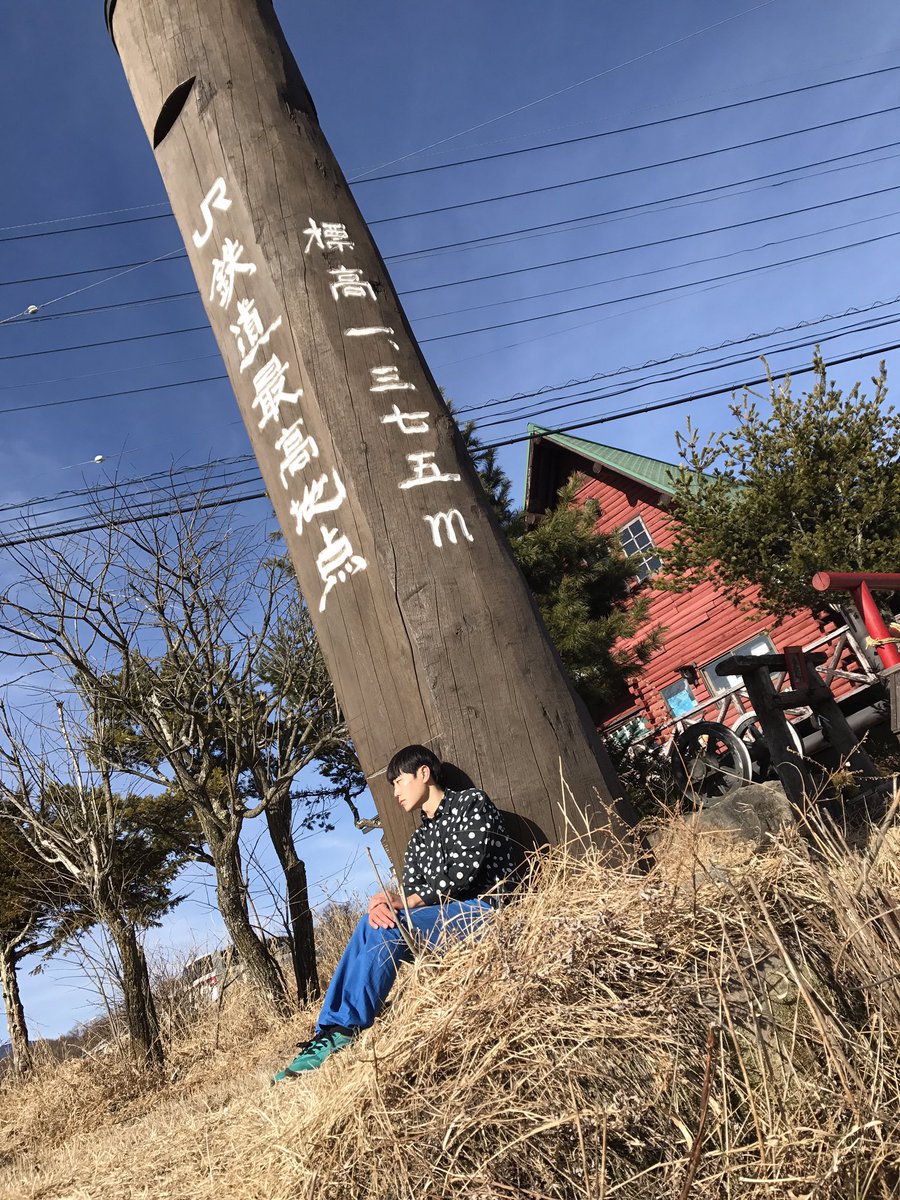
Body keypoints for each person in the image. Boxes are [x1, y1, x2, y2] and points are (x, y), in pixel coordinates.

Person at [273, 744, 518, 1080]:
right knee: (373, 922)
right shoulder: (418, 841)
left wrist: (402, 902)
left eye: (399, 781)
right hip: (442, 923)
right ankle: (329, 1031)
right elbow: (412, 894)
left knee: (391, 923)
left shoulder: (471, 804)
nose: (395, 793)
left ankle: (344, 1028)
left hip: (486, 911)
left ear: (424, 773)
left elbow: (465, 874)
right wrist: (386, 904)